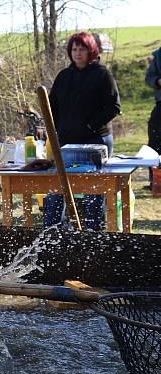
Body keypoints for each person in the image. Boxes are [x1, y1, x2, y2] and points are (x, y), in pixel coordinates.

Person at [44, 31, 121, 230]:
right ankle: (50, 232)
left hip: (95, 142)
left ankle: (93, 233)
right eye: (74, 49)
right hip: (66, 143)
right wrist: (51, 129)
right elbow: (52, 107)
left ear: (91, 50)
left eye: (82, 49)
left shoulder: (102, 74)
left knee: (92, 190)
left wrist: (89, 126)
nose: (78, 53)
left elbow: (114, 107)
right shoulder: (64, 76)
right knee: (57, 188)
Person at [145, 46, 161, 187]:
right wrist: (157, 81)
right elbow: (149, 77)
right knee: (154, 143)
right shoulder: (158, 55)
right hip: (160, 105)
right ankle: (155, 181)